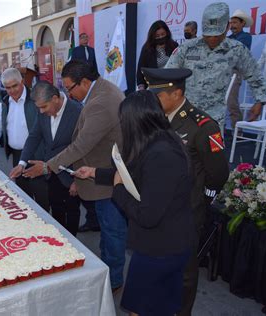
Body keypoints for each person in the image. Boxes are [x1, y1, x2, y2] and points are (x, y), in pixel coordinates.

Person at [142, 67, 230, 315]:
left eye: (157, 96)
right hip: (159, 208)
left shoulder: (202, 126)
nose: (153, 101)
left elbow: (218, 173)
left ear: (177, 93)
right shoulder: (157, 119)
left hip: (187, 212)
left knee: (184, 274)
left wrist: (201, 201)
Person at [44, 60, 126, 292]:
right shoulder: (100, 91)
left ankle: (114, 281)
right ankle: (108, 272)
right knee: (108, 230)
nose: (68, 93)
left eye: (69, 88)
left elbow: (81, 145)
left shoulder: (101, 102)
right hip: (100, 176)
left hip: (107, 180)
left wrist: (49, 166)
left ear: (85, 82)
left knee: (113, 232)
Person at [115, 90, 194, 315]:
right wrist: (96, 173)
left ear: (136, 121)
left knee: (142, 310)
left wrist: (118, 190)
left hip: (161, 249)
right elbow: (136, 174)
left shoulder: (162, 155)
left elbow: (147, 215)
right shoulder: (159, 141)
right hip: (166, 244)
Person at [166, 2, 266, 125]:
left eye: (217, 35)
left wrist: (259, 101)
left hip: (214, 120)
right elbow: (167, 75)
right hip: (185, 117)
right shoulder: (186, 48)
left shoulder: (236, 50)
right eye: (208, 35)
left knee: (214, 145)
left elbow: (255, 75)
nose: (212, 39)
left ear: (227, 28)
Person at [10, 81, 82, 236]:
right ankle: (60, 241)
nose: (41, 111)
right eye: (39, 108)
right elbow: (34, 136)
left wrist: (78, 180)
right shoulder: (42, 111)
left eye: (44, 107)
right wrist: (22, 163)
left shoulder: (77, 111)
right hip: (50, 172)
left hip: (71, 173)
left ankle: (73, 244)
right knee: (56, 209)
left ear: (55, 98)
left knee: (72, 211)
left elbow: (82, 147)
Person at [0, 68, 49, 211]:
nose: (12, 90)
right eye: (8, 87)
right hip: (17, 156)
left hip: (36, 154)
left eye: (15, 86)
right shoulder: (5, 102)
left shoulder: (34, 99)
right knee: (23, 198)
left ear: (22, 82)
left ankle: (46, 228)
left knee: (41, 198)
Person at [227, 9, 254, 128]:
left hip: (235, 72)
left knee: (232, 103)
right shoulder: (228, 38)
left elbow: (235, 53)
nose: (232, 25)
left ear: (242, 23)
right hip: (222, 72)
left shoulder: (246, 37)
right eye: (231, 23)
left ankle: (237, 131)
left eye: (235, 23)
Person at [137, 20, 178, 90]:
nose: (160, 37)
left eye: (163, 34)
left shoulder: (174, 46)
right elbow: (140, 69)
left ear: (167, 33)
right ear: (152, 36)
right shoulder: (147, 49)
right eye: (157, 36)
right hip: (154, 86)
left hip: (172, 86)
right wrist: (141, 88)